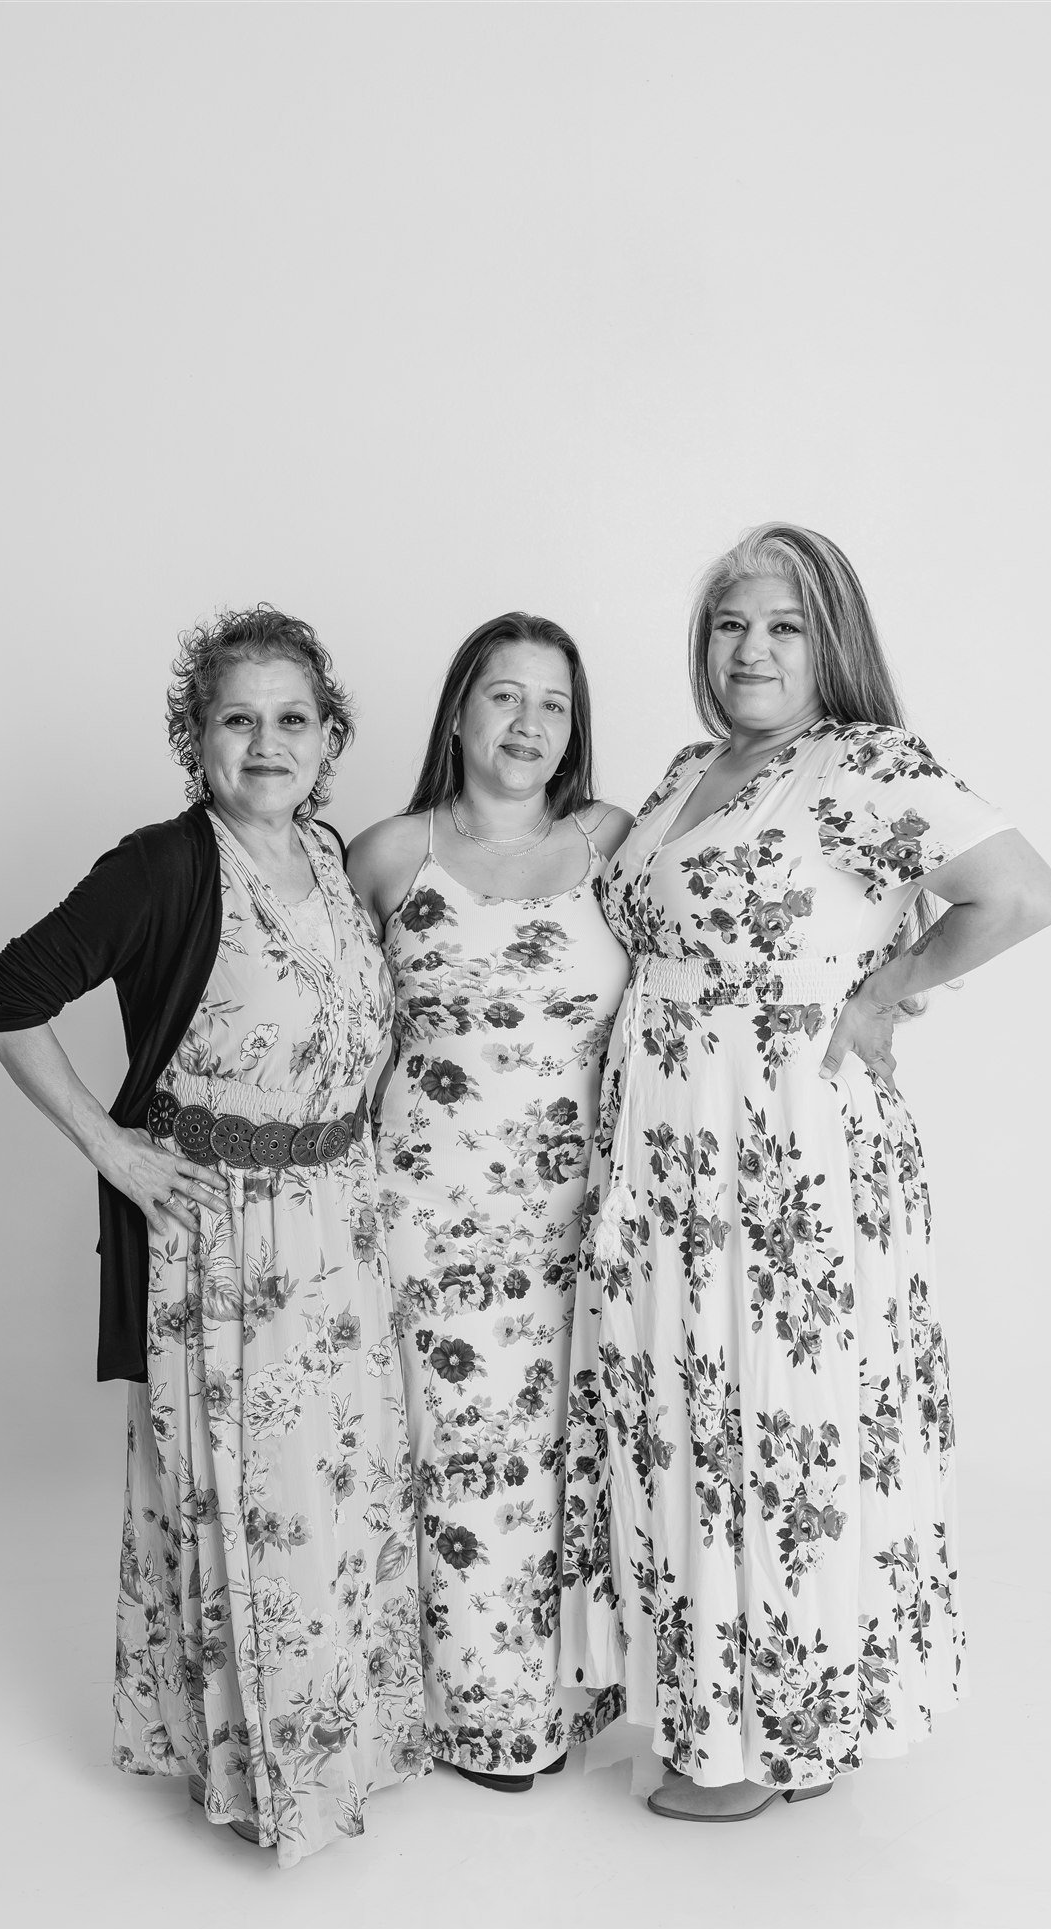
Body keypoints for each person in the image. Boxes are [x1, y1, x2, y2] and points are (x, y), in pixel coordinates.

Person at [560, 525, 1051, 1821]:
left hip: (782, 1147)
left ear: (828, 640)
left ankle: (774, 1736)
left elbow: (1018, 893)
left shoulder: (864, 764)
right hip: (666, 1148)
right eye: (730, 624)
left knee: (779, 1423)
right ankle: (722, 1709)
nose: (751, 649)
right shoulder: (688, 771)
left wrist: (884, 992)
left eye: (782, 625)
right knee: (686, 1414)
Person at [0, 605, 430, 1866]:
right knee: (255, 1515)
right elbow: (3, 996)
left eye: (292, 718)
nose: (266, 743)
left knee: (338, 1497)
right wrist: (110, 1146)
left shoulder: (326, 853)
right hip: (227, 1238)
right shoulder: (164, 866)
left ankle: (350, 1745)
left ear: (328, 737)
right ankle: (274, 1784)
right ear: (195, 737)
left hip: (338, 1225)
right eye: (237, 718)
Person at [348, 613, 633, 1790]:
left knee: (566, 1459)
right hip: (426, 1215)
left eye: (552, 702)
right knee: (455, 1466)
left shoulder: (616, 840)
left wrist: (880, 990)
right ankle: (467, 1721)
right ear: (459, 709)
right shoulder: (387, 852)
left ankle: (559, 1706)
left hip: (581, 1217)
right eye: (504, 694)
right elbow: (326, 1019)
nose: (527, 722)